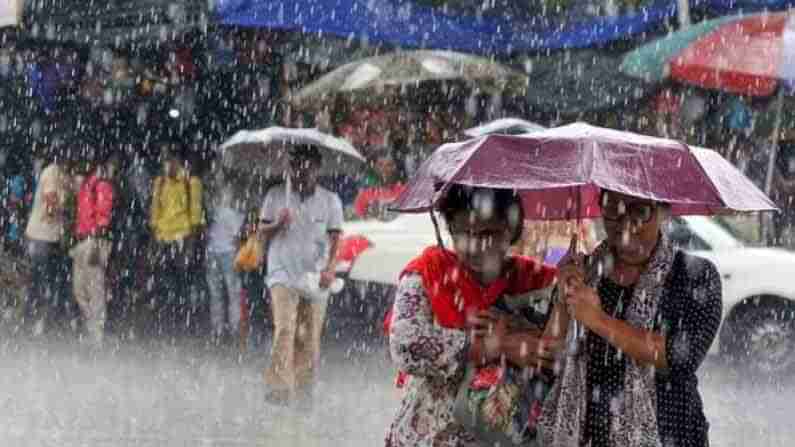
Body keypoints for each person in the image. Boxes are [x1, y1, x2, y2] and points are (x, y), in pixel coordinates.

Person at [539, 190, 723, 447]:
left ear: (663, 212)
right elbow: (548, 357)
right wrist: (563, 298)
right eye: (613, 209)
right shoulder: (585, 271)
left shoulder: (695, 276)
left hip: (669, 434)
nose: (625, 225)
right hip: (589, 436)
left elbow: (679, 357)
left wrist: (598, 320)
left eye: (640, 211)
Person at [384, 184, 559, 447]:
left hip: (502, 436)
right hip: (431, 435)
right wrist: (491, 347)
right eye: (464, 233)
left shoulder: (535, 281)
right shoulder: (429, 273)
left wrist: (572, 286)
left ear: (510, 230)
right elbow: (405, 344)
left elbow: (559, 349)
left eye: (488, 232)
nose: (476, 246)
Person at [258, 145, 343, 406]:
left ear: (317, 169)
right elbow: (262, 233)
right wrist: (277, 224)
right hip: (281, 271)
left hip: (315, 276)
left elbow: (336, 238)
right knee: (285, 328)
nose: (301, 172)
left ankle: (303, 387)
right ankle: (278, 388)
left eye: (307, 166)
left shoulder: (330, 200)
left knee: (308, 335)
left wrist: (330, 269)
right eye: (296, 166)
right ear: (290, 168)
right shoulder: (275, 195)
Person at [148, 146, 205, 337]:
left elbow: (196, 218)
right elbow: (154, 214)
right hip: (163, 240)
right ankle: (165, 324)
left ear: (177, 162)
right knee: (163, 285)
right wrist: (154, 244)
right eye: (164, 161)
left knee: (182, 286)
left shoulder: (191, 182)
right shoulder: (160, 183)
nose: (166, 165)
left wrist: (190, 247)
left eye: (169, 161)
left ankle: (182, 324)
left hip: (182, 240)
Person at [23, 147, 76, 334]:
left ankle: (35, 317)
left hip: (49, 237)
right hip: (42, 236)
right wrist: (66, 210)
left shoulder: (62, 174)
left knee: (42, 279)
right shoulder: (52, 173)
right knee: (44, 279)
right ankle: (38, 319)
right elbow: (51, 205)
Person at [70, 151, 119, 346]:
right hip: (82, 241)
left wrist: (96, 245)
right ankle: (92, 328)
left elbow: (103, 216)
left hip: (94, 242)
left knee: (95, 289)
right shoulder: (86, 186)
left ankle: (96, 335)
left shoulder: (101, 185)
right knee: (79, 289)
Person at [205, 169, 247, 346]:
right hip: (229, 254)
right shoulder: (237, 216)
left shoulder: (213, 211)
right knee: (233, 294)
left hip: (213, 252)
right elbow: (238, 240)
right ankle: (234, 330)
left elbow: (208, 232)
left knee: (217, 294)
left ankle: (218, 330)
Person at [353, 147, 407, 220]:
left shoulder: (404, 190)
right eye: (380, 164)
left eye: (389, 165)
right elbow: (360, 217)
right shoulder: (366, 192)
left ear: (395, 167)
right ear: (374, 166)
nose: (384, 168)